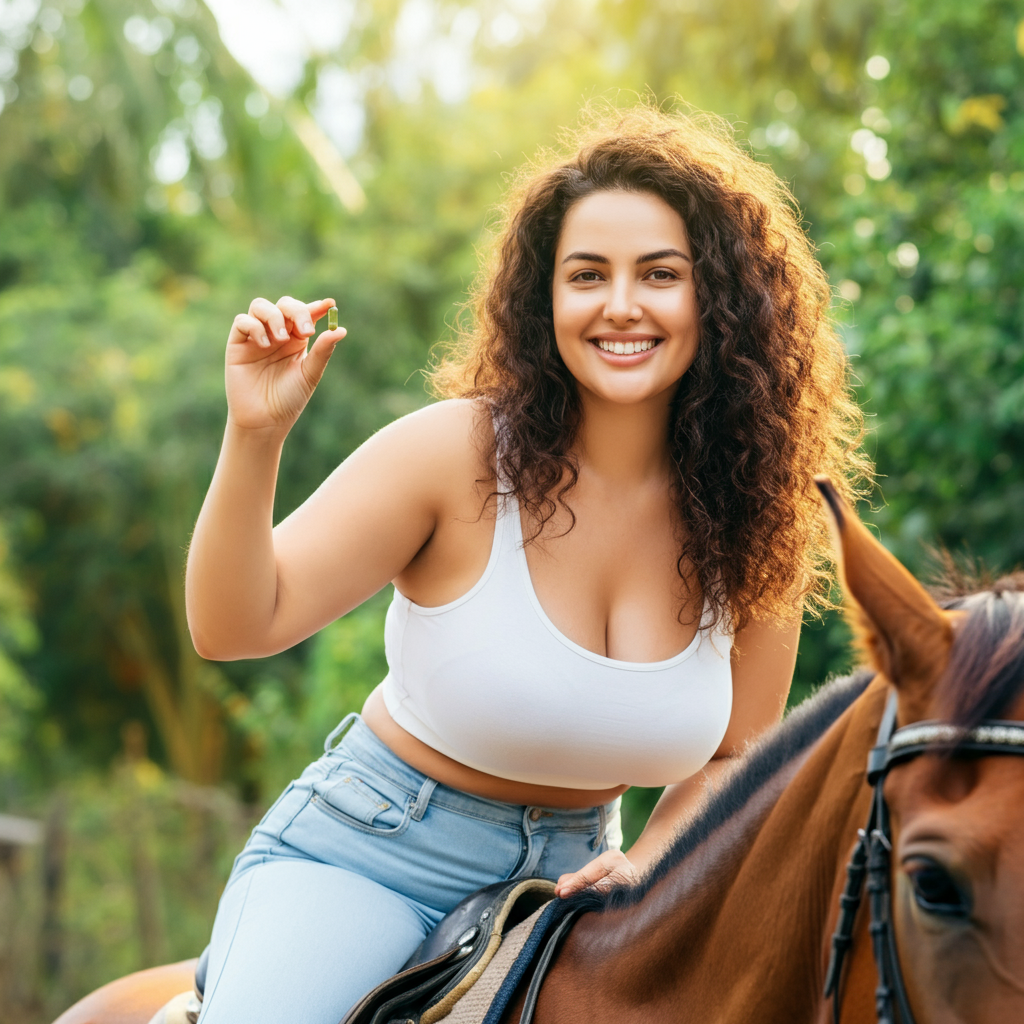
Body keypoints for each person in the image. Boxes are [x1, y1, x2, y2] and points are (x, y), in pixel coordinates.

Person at [185, 105, 868, 1023]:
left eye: (660, 274)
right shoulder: (453, 457)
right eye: (587, 275)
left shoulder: (757, 516)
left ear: (719, 298)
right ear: (545, 300)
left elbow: (735, 752)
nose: (621, 304)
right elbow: (233, 625)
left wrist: (648, 862)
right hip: (374, 859)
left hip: (581, 892)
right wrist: (254, 435)